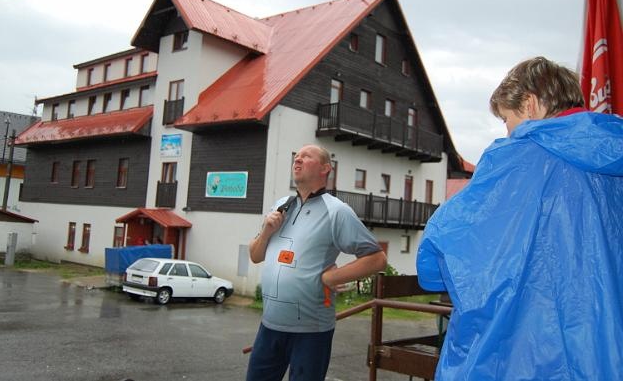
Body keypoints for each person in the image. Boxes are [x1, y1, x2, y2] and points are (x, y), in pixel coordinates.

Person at [416, 56, 623, 380]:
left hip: (528, 349)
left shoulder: (514, 159)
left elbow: (447, 240)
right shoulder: (614, 149)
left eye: (506, 119)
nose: (508, 131)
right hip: (606, 347)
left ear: (529, 104)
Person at [246, 144, 387, 381]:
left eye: (306, 156)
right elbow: (255, 255)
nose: (297, 160)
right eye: (296, 156)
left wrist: (332, 277)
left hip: (311, 330)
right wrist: (266, 232)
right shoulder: (281, 206)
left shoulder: (337, 211)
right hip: (270, 325)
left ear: (325, 169)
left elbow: (377, 259)